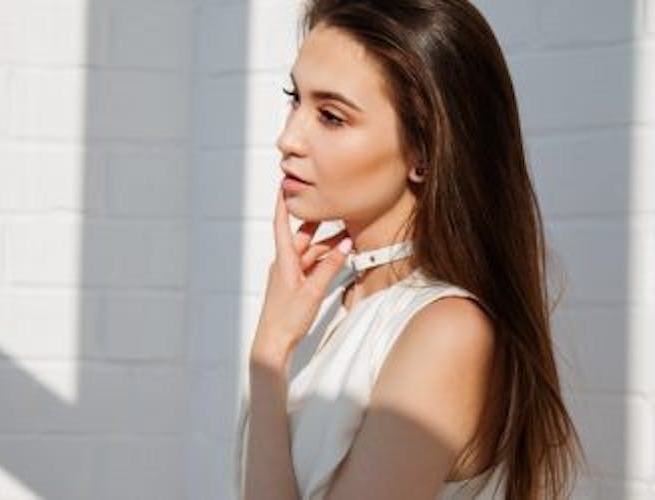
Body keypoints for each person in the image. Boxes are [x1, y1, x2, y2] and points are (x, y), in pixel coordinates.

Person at [233, 0, 586, 499]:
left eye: (331, 116)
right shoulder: (330, 300)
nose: (287, 138)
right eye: (296, 98)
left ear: (424, 149)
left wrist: (270, 352)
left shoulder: (447, 332)